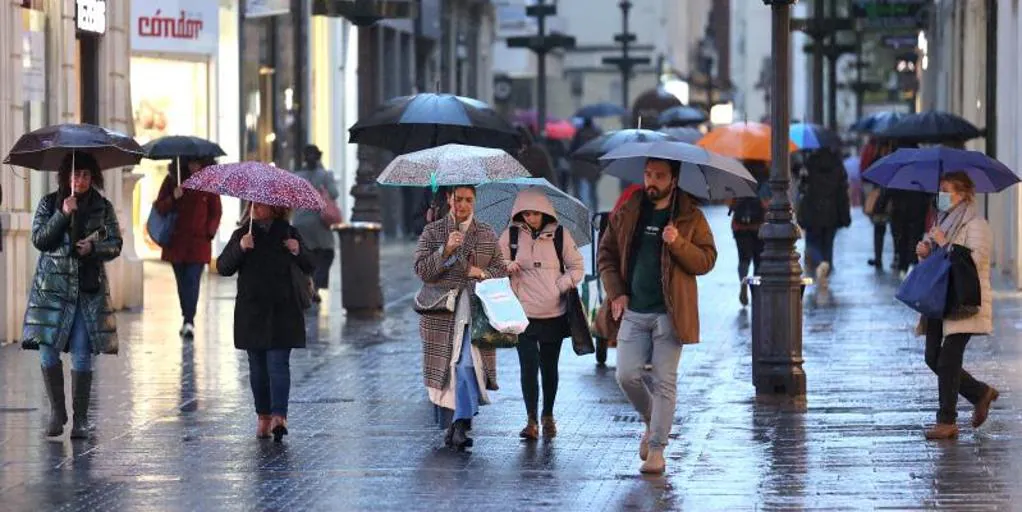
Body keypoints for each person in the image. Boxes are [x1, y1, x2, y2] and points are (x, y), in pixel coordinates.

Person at [597, 158, 718, 474]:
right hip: (634, 311)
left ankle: (656, 450)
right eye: (648, 174)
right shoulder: (629, 210)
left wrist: (678, 243)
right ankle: (653, 419)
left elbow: (706, 260)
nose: (651, 181)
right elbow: (606, 255)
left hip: (670, 313)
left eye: (659, 176)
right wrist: (617, 293)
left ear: (673, 180)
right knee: (626, 375)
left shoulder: (690, 216)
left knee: (665, 381)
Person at [23, 152, 122, 439]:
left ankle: (80, 420)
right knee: (47, 350)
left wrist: (94, 249)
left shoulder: (102, 208)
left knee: (81, 352)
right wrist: (62, 214)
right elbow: (40, 239)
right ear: (66, 176)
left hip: (86, 292)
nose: (80, 180)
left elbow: (115, 243)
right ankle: (57, 412)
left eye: (86, 176)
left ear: (93, 178)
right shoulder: (49, 203)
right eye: (75, 174)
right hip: (51, 291)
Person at [414, 185, 509, 451]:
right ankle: (457, 425)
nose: (462, 205)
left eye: (468, 200)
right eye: (458, 199)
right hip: (441, 312)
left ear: (475, 201)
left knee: (467, 365)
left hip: (475, 310)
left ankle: (461, 422)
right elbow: (421, 270)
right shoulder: (433, 232)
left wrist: (480, 272)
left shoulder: (487, 232)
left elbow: (501, 271)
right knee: (448, 370)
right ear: (448, 199)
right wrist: (444, 251)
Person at [216, 202, 315, 442]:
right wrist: (240, 248)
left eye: (262, 205)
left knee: (278, 364)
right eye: (253, 204)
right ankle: (263, 416)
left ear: (276, 208)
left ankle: (279, 416)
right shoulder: (243, 234)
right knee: (258, 367)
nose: (256, 208)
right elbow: (223, 267)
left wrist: (297, 250)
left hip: (284, 310)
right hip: (253, 311)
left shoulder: (290, 233)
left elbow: (311, 265)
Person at [914, 172, 998, 440]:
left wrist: (944, 244)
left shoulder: (976, 224)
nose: (942, 194)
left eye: (946, 189)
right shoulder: (942, 221)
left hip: (963, 301)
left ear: (962, 194)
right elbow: (939, 262)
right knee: (932, 357)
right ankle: (980, 392)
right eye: (940, 189)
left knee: (948, 359)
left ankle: (946, 421)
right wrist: (926, 252)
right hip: (940, 299)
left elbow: (975, 262)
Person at [498, 189, 585, 440]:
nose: (531, 218)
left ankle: (548, 415)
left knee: (549, 367)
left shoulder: (560, 235)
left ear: (545, 212)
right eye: (526, 213)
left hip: (554, 312)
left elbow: (576, 267)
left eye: (535, 213)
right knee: (528, 366)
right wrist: (507, 266)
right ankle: (531, 421)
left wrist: (562, 284)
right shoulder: (511, 234)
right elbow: (496, 262)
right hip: (522, 313)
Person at [153, 157, 222, 337]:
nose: (194, 166)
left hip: (198, 244)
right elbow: (159, 207)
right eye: (191, 162)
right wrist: (173, 198)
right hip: (176, 243)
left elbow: (216, 212)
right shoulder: (172, 180)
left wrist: (209, 232)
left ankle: (189, 321)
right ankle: (187, 316)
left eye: (198, 163)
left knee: (192, 281)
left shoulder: (209, 183)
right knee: (182, 284)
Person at [797, 148, 851, 289]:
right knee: (828, 244)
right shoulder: (837, 165)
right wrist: (845, 215)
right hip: (832, 212)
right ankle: (825, 272)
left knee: (812, 244)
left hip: (812, 211)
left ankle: (820, 262)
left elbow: (802, 188)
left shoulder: (810, 164)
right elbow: (842, 192)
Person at [292, 145, 340, 303]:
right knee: (326, 254)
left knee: (307, 257)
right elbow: (334, 193)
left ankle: (309, 286)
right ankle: (316, 287)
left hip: (300, 222)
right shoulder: (325, 175)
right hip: (319, 222)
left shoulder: (297, 176)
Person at [728, 161, 770, 306]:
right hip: (759, 225)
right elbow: (768, 203)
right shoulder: (766, 177)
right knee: (759, 260)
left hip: (740, 226)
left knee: (743, 259)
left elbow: (731, 203)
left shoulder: (739, 175)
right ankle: (756, 291)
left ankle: (743, 283)